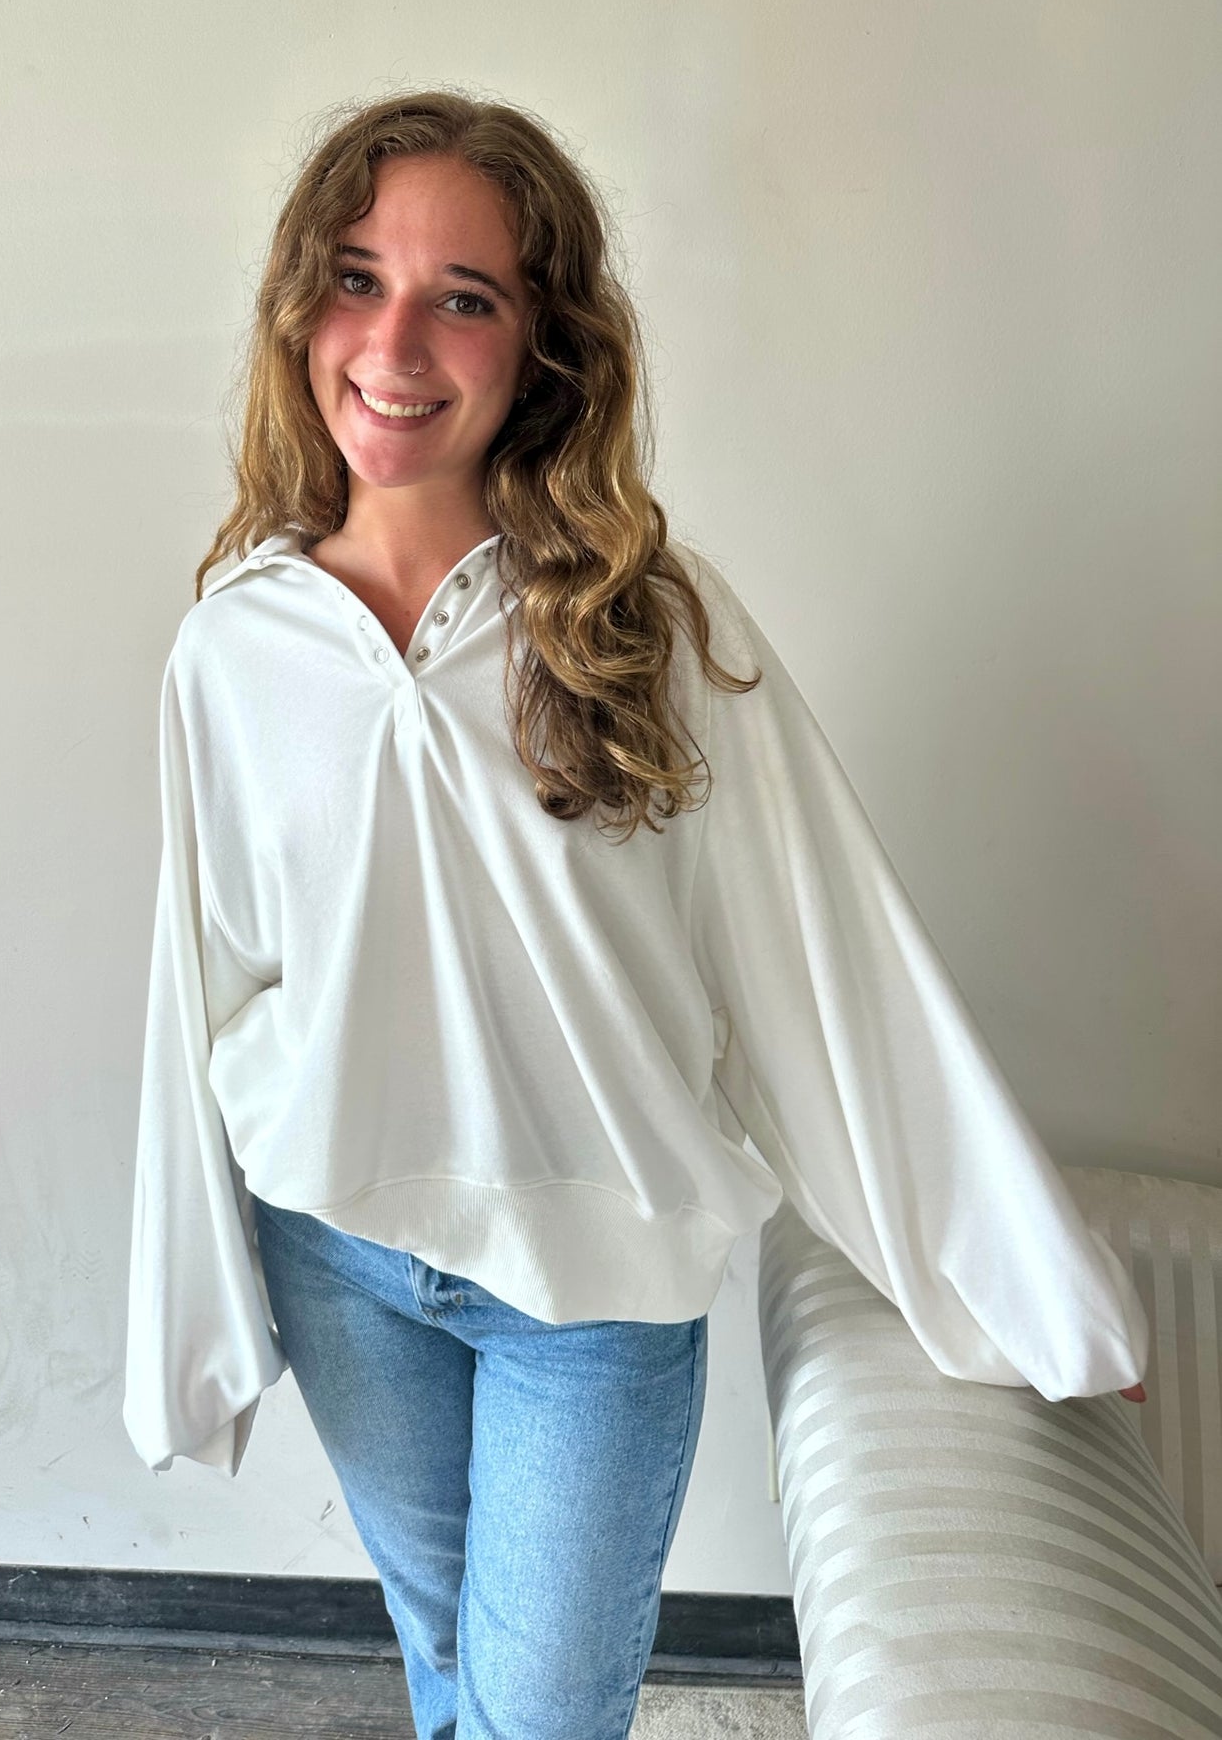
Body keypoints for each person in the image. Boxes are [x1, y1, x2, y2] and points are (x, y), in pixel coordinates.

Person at [122, 88, 1148, 1740]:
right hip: (335, 1252)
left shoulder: (637, 630)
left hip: (592, 1293)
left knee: (536, 1714)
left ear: (543, 345)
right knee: (446, 1658)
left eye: (464, 296)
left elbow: (826, 962)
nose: (395, 341)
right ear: (300, 305)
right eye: (358, 278)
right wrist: (189, 1320)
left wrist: (1036, 1293)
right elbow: (208, 989)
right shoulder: (233, 648)